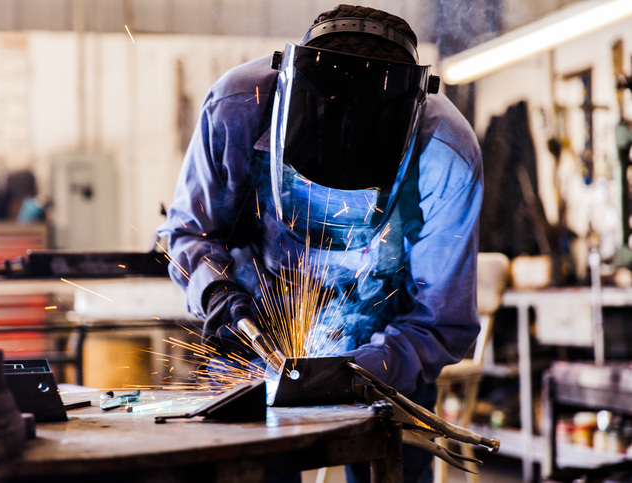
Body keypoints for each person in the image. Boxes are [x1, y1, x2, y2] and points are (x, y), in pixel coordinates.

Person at [158, 5, 483, 482]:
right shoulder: (237, 107)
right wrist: (220, 295)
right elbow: (188, 233)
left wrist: (367, 369)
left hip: (385, 353)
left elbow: (441, 322)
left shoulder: (446, 155)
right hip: (256, 330)